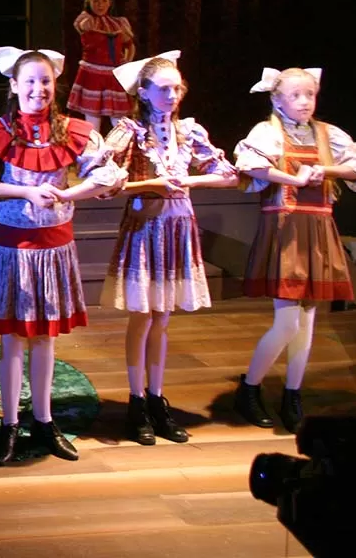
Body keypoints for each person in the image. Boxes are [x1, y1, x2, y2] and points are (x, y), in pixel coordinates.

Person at [0, 47, 124, 464]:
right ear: (14, 86)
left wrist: (69, 193)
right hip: (12, 247)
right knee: (12, 338)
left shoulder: (72, 131)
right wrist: (27, 191)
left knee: (45, 336)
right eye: (30, 80)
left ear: (55, 84)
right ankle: (9, 424)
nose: (39, 88)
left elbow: (106, 175)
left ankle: (45, 421)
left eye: (46, 80)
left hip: (53, 246)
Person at [101, 51, 238, 446]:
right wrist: (151, 185)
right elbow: (105, 184)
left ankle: (157, 398)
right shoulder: (130, 131)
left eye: (177, 88)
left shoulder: (188, 131)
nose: (172, 96)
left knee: (162, 318)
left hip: (178, 227)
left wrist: (189, 182)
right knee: (142, 317)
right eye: (164, 89)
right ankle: (136, 402)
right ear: (143, 92)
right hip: (145, 227)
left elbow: (227, 175)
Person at [232, 67, 356, 433]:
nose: (305, 101)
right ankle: (249, 388)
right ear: (277, 100)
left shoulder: (326, 134)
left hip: (319, 228)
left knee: (308, 319)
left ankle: (292, 394)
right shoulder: (268, 133)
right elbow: (251, 166)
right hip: (286, 229)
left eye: (310, 94)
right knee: (288, 321)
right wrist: (294, 177)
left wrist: (328, 171)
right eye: (295, 95)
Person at [67, 0, 135, 132]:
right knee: (93, 121)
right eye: (96, 1)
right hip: (93, 75)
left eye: (104, 1)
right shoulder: (87, 20)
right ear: (89, 2)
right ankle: (94, 146)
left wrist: (126, 63)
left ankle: (121, 147)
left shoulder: (118, 23)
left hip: (114, 76)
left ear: (110, 2)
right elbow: (82, 26)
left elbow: (129, 45)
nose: (100, 5)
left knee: (120, 124)